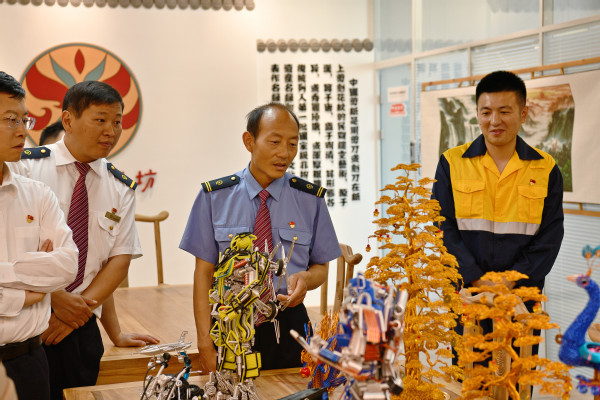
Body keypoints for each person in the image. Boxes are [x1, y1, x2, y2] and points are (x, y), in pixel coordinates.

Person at [9, 81, 157, 400]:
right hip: (28, 317)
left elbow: (119, 259)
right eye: (100, 120)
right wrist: (55, 298)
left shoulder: (120, 186)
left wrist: (81, 312)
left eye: (117, 122)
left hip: (82, 324)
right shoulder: (26, 167)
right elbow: (12, 250)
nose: (110, 131)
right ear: (68, 120)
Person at [180, 103, 341, 372]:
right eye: (275, 142)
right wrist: (205, 343)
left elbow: (321, 267)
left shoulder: (309, 199)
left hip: (290, 324)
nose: (284, 153)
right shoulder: (214, 198)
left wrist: (306, 279)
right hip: (231, 323)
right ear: (249, 141)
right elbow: (203, 274)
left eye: (292, 144)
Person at [431, 70, 564, 342]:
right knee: (466, 365)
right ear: (477, 114)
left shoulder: (546, 168)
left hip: (521, 298)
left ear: (523, 114)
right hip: (467, 294)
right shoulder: (451, 163)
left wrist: (510, 280)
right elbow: (442, 227)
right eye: (486, 112)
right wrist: (478, 279)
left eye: (504, 111)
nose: (494, 121)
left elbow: (550, 236)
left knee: (518, 365)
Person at [0, 71, 78, 400]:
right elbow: (47, 273)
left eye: (24, 120)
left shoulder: (37, 194)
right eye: (10, 120)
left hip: (30, 359)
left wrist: (4, 274)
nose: (22, 131)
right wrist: (25, 292)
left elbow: (67, 265)